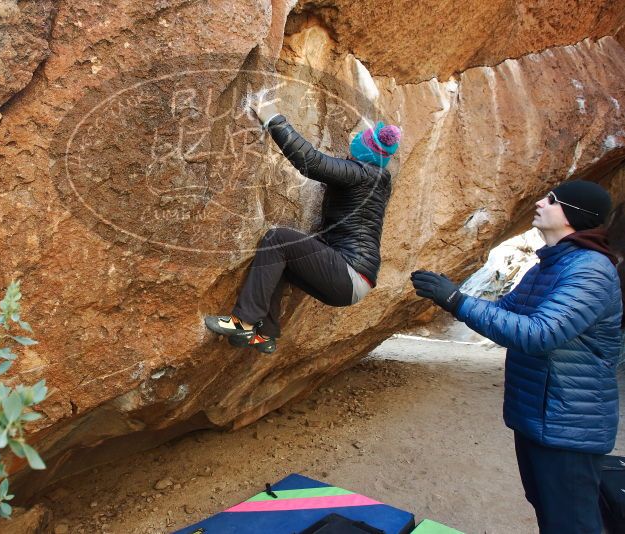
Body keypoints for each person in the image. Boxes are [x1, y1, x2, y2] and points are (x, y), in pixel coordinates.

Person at [412, 180, 623, 533]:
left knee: (572, 523)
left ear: (574, 214)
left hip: (567, 426)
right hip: (538, 417)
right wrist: (451, 295)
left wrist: (456, 301)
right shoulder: (546, 267)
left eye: (552, 200)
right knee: (549, 509)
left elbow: (540, 333)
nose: (540, 202)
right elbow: (505, 312)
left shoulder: (589, 270)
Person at [204, 99, 401, 353]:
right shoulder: (377, 181)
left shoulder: (361, 174)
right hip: (353, 280)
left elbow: (311, 162)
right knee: (280, 262)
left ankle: (242, 323)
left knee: (278, 239)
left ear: (364, 151)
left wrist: (273, 119)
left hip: (348, 273)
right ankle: (265, 334)